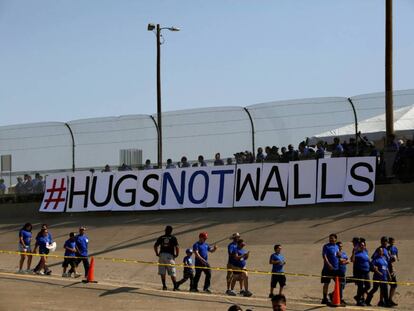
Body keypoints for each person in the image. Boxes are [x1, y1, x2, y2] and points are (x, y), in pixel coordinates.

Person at [154, 225, 179, 290]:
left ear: (165, 230)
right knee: (172, 271)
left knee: (162, 272)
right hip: (169, 256)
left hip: (161, 255)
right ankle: (175, 286)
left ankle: (164, 286)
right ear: (171, 231)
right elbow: (177, 247)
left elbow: (155, 246)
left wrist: (157, 253)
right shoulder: (173, 238)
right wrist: (177, 254)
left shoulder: (161, 237)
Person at [321, 233, 339, 304]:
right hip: (327, 269)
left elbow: (337, 255)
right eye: (330, 238)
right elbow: (324, 256)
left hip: (336, 268)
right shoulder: (326, 246)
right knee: (326, 283)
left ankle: (333, 295)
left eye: (332, 238)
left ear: (335, 239)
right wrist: (329, 265)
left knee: (339, 284)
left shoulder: (337, 246)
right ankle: (324, 298)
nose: (331, 239)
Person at [351, 241, 371, 306]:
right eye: (361, 245)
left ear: (365, 246)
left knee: (368, 286)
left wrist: (372, 266)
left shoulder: (366, 252)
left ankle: (357, 296)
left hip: (366, 272)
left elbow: (368, 260)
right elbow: (352, 260)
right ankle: (359, 300)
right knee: (360, 286)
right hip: (360, 272)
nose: (362, 246)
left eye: (363, 245)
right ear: (359, 246)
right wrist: (353, 252)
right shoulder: (356, 253)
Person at [387, 237, 399, 306]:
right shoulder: (387, 249)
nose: (392, 242)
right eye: (391, 241)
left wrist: (396, 258)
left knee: (394, 285)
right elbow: (388, 259)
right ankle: (386, 300)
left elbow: (396, 257)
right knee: (386, 284)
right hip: (388, 269)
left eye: (393, 241)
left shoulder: (395, 248)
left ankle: (390, 299)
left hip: (392, 269)